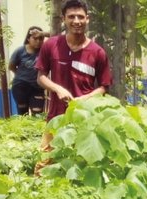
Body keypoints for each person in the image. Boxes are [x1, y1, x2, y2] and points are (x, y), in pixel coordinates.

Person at [34, 0, 112, 174]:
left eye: (80, 17)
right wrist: (58, 89)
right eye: (71, 17)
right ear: (63, 19)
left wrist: (85, 98)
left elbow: (104, 87)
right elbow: (41, 77)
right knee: (43, 164)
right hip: (56, 117)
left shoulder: (98, 52)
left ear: (87, 19)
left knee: (79, 166)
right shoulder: (51, 45)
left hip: (84, 119)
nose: (76, 21)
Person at [8, 26, 47, 116]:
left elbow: (56, 36)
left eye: (41, 38)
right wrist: (21, 76)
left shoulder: (44, 51)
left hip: (37, 87)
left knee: (38, 114)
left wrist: (42, 33)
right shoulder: (20, 51)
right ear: (28, 39)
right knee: (22, 114)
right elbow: (11, 66)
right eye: (35, 38)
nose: (38, 41)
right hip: (20, 87)